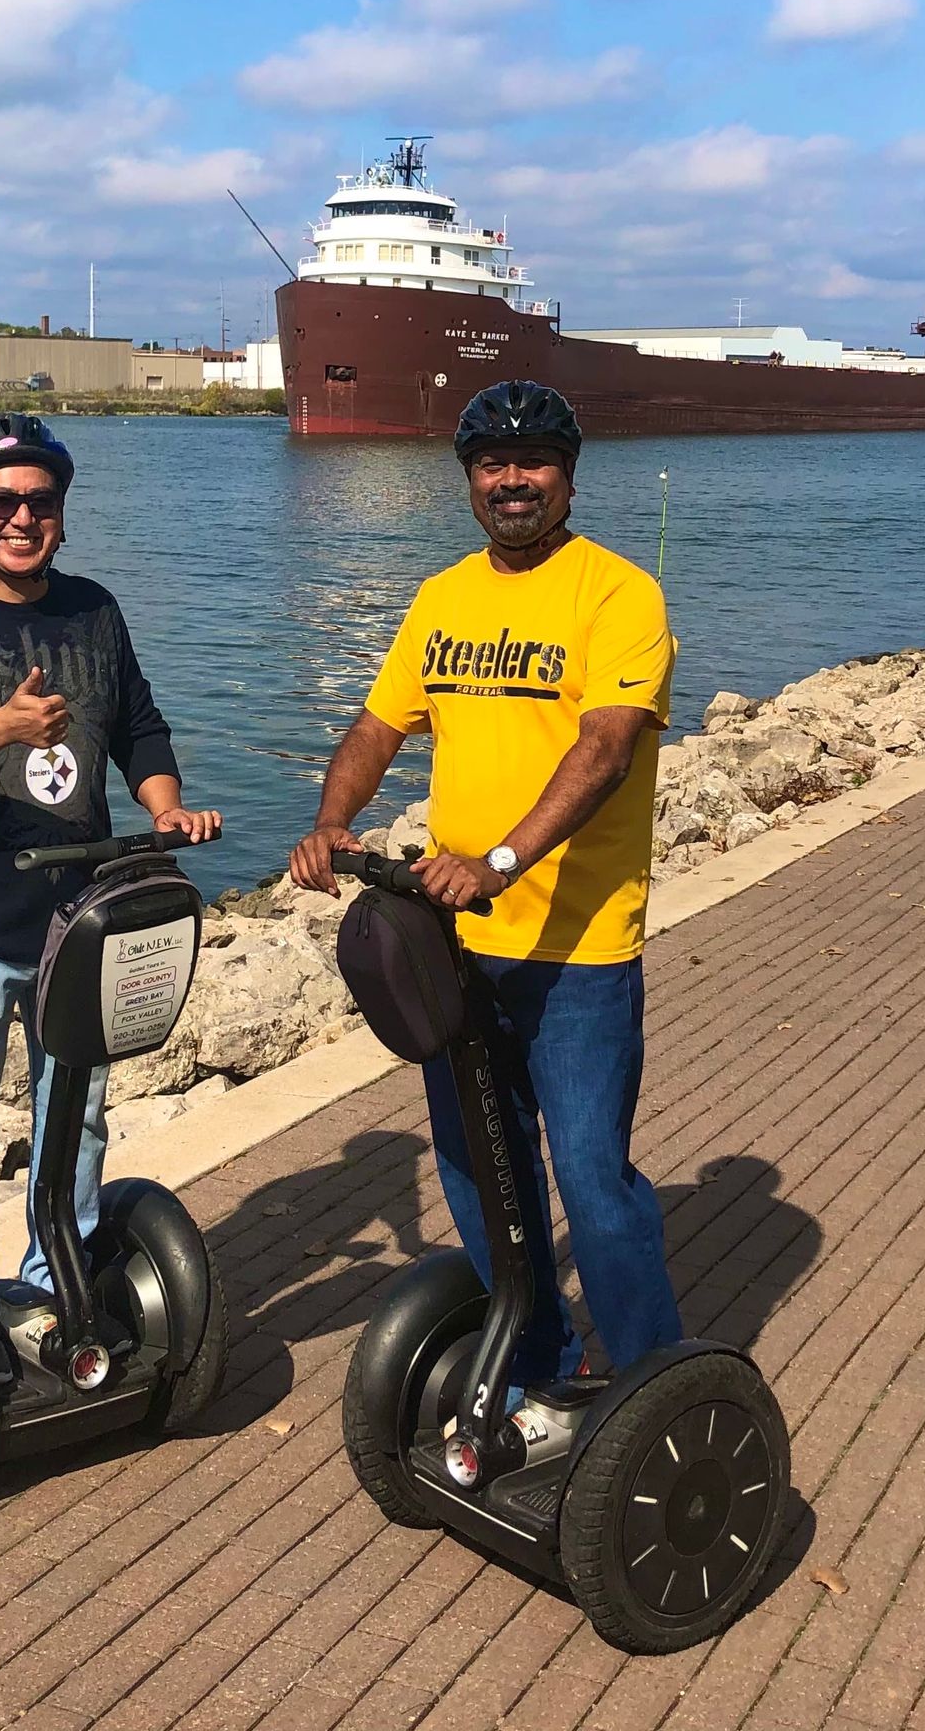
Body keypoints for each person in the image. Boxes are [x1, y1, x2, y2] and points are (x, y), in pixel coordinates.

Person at [290, 380, 681, 1399]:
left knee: (592, 1182)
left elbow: (605, 749)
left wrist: (500, 861)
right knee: (480, 1173)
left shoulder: (618, 594)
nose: (513, 480)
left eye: (534, 460)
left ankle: (655, 1389)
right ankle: (542, 1364)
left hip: (576, 950)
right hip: (455, 944)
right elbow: (379, 723)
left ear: (569, 477)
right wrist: (332, 820)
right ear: (469, 480)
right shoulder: (444, 597)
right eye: (492, 464)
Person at [0, 412, 219, 1381]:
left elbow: (139, 728)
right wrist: (1, 726)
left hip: (84, 924)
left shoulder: (95, 612)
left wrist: (167, 807)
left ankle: (55, 1287)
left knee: (79, 1121)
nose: (20, 517)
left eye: (40, 500)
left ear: (61, 512)